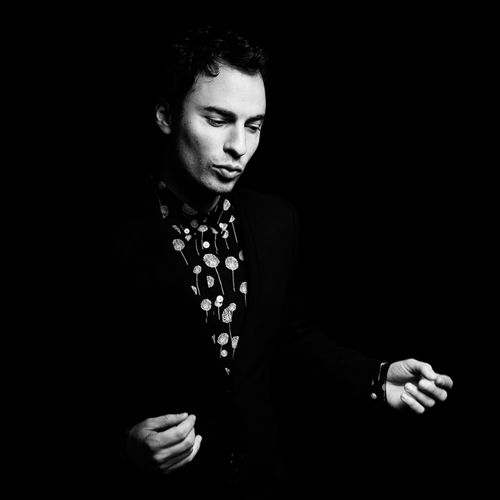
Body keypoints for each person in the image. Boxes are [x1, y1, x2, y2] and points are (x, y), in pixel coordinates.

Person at [104, 24, 454, 499]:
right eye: (217, 120)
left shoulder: (274, 222)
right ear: (166, 115)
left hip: (262, 490)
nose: (238, 146)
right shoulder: (110, 234)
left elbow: (291, 338)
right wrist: (124, 447)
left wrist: (374, 376)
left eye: (253, 126)